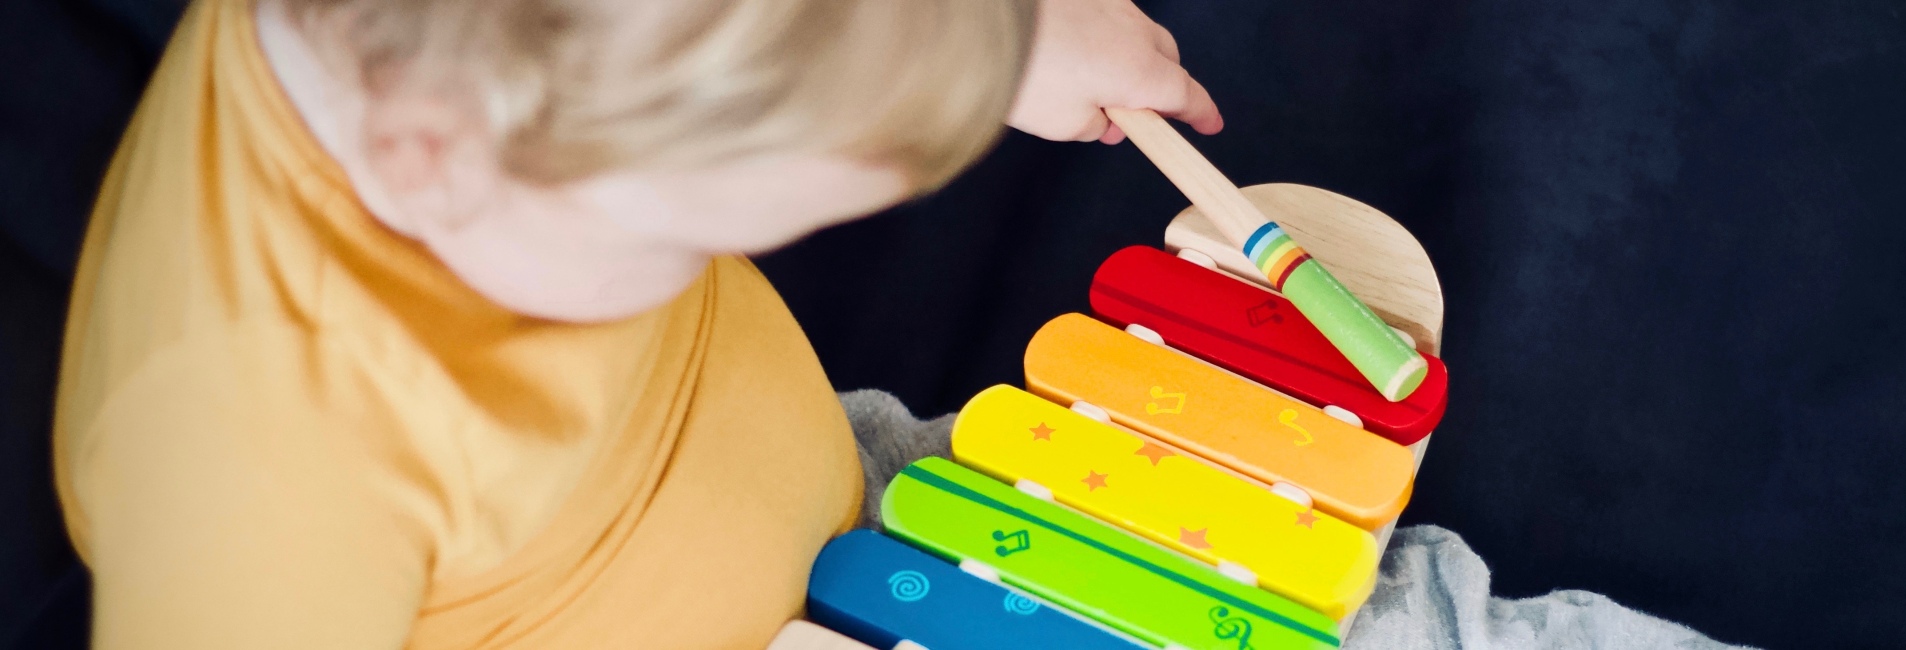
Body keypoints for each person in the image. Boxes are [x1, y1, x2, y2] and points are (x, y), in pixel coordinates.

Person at [50, 0, 1219, 647]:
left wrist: (976, 33)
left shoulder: (493, 80)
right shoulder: (257, 459)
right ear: (432, 156)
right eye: (689, 239)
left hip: (870, 501)